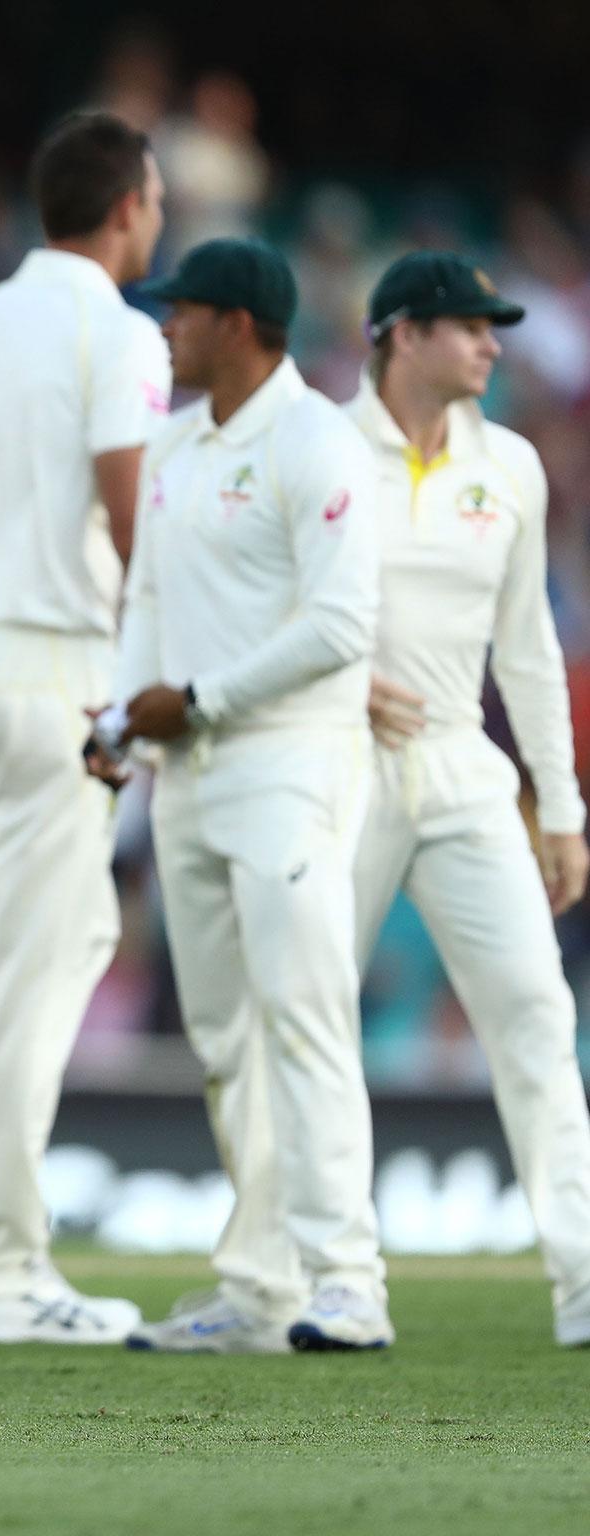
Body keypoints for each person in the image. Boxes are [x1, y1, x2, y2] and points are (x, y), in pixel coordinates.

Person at [0, 111, 168, 1342]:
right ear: (129, 208)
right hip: (52, 664)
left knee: (49, 938)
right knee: (45, 956)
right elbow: (138, 516)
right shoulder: (116, 329)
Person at [101, 237, 391, 1353]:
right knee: (224, 1037)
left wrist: (197, 698)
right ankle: (262, 1289)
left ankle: (346, 1282)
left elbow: (340, 628)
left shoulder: (315, 440)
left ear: (237, 323)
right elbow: (147, 597)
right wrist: (121, 718)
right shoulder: (173, 443)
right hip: (189, 776)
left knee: (304, 1020)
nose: (163, 326)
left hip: (289, 767)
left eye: (181, 312)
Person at [347, 253, 590, 1349]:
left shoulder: (515, 468)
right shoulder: (319, 450)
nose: (493, 344)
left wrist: (562, 805)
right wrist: (331, 680)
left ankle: (583, 1277)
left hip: (460, 768)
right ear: (402, 333)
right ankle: (309, 1278)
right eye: (467, 326)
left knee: (537, 1014)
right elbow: (250, 603)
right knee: (296, 1022)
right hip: (334, 766)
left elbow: (529, 649)